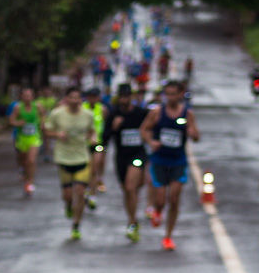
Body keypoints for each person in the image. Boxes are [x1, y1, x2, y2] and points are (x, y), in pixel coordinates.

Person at [140, 80, 199, 250]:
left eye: (174, 94)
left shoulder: (188, 114)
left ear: (181, 94)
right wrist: (151, 141)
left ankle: (168, 236)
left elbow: (196, 136)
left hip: (178, 161)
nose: (171, 98)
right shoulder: (157, 113)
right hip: (159, 160)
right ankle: (157, 211)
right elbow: (143, 129)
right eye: (168, 94)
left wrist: (192, 132)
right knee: (160, 200)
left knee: (174, 199)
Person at [45, 86, 96, 240]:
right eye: (72, 97)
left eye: (78, 97)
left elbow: (92, 131)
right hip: (63, 158)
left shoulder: (88, 114)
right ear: (66, 99)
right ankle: (68, 206)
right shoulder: (57, 114)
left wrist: (92, 138)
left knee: (80, 192)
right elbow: (46, 131)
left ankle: (76, 225)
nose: (75, 101)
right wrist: (57, 134)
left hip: (82, 157)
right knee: (68, 196)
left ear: (81, 99)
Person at [103, 83, 151, 242]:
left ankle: (131, 223)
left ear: (132, 97)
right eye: (122, 96)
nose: (125, 99)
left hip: (137, 155)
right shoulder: (114, 114)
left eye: (127, 96)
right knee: (127, 190)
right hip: (121, 157)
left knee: (131, 187)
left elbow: (152, 126)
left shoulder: (141, 113)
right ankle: (132, 220)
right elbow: (104, 138)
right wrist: (114, 127)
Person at [8, 87, 44, 197]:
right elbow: (11, 120)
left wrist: (42, 124)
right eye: (25, 95)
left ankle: (30, 183)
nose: (27, 98)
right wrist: (19, 123)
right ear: (21, 97)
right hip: (22, 138)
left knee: (31, 160)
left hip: (34, 137)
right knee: (23, 160)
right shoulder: (18, 108)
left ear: (33, 97)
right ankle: (23, 172)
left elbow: (43, 116)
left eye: (29, 95)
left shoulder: (37, 106)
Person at [83, 87, 109, 202]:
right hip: (83, 143)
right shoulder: (82, 108)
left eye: (95, 97)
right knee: (85, 168)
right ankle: (86, 189)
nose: (93, 99)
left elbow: (106, 126)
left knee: (95, 167)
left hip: (98, 143)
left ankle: (92, 193)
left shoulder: (102, 109)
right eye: (90, 97)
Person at [35, 86, 58, 162]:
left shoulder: (53, 100)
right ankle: (42, 148)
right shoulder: (38, 101)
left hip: (49, 122)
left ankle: (46, 153)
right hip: (40, 121)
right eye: (45, 91)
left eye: (48, 91)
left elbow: (56, 109)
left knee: (47, 138)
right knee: (41, 137)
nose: (46, 93)